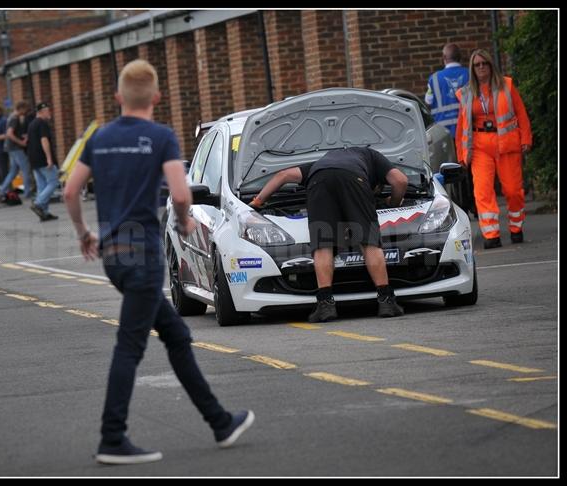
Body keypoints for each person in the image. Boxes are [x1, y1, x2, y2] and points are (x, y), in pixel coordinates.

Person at [64, 60, 254, 465]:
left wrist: (84, 233)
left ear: (117, 97)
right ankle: (111, 438)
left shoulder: (99, 138)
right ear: (156, 97)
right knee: (129, 347)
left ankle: (220, 422)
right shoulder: (161, 137)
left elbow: (70, 191)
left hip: (115, 256)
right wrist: (184, 222)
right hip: (145, 256)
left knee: (176, 336)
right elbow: (181, 194)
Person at [249, 147, 408, 322]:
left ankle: (325, 305)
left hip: (319, 182)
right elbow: (400, 180)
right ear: (377, 182)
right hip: (355, 179)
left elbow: (283, 175)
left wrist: (257, 202)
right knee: (368, 240)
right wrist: (394, 202)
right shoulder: (373, 156)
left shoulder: (321, 163)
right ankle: (386, 301)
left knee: (323, 243)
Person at [455, 49, 532, 249]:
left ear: (490, 65)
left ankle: (516, 228)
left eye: (484, 63)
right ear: (472, 69)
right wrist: (462, 153)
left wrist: (526, 138)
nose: (481, 67)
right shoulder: (466, 93)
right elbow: (461, 126)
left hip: (506, 143)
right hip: (480, 146)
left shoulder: (506, 85)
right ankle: (491, 234)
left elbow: (521, 113)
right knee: (482, 190)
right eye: (477, 65)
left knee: (513, 190)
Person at [425, 43, 470, 138]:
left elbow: (428, 101)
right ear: (460, 57)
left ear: (444, 57)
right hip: (467, 128)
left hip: (443, 132)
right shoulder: (470, 74)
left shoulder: (434, 79)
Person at [27, 102, 59, 221]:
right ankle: (38, 203)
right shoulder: (42, 123)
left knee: (42, 186)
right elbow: (44, 140)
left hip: (34, 159)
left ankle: (44, 213)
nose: (49, 112)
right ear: (40, 112)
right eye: (47, 110)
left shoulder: (31, 125)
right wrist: (49, 158)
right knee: (53, 182)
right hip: (42, 158)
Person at [0, 101, 33, 200]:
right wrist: (21, 142)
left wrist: (22, 136)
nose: (26, 112)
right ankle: (27, 193)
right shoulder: (15, 118)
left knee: (13, 171)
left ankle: (2, 190)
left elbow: (11, 133)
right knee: (26, 169)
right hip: (16, 148)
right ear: (21, 108)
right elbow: (9, 133)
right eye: (25, 109)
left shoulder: (10, 117)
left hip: (10, 148)